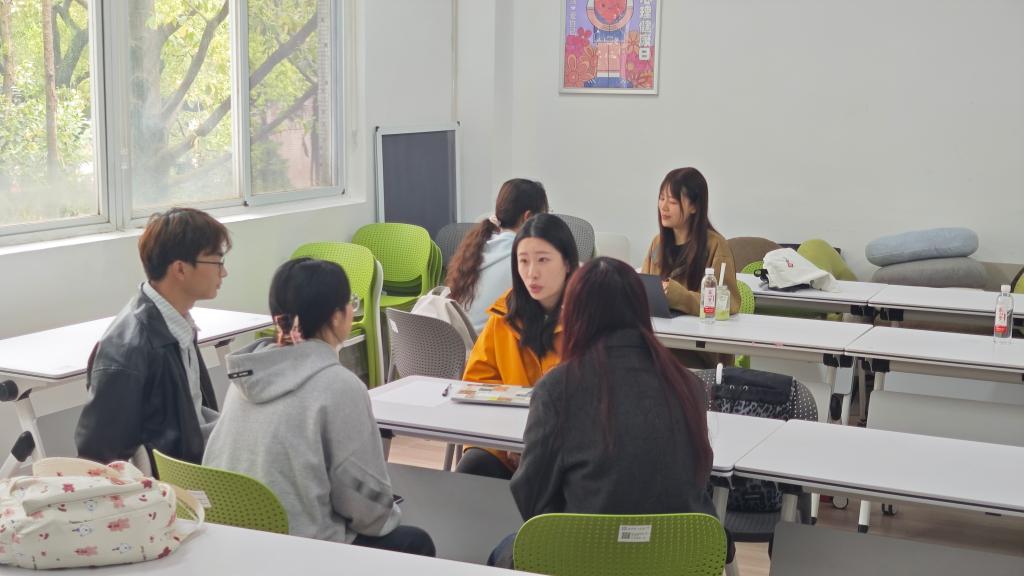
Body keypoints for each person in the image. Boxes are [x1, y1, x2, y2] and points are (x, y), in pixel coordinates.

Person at [488, 257, 725, 568]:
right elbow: (694, 480)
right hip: (675, 562)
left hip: (583, 561)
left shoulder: (558, 388)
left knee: (505, 549)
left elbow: (531, 500)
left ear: (573, 314)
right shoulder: (688, 385)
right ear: (641, 309)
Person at [203, 258, 435, 556]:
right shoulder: (339, 386)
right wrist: (384, 515)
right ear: (337, 317)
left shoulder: (245, 378)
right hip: (303, 550)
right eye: (351, 302)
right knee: (415, 541)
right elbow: (368, 509)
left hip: (233, 542)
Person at [76, 207, 230, 466]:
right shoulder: (128, 349)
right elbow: (98, 456)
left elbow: (192, 416)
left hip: (197, 465)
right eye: (217, 262)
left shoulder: (176, 323)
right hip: (173, 484)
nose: (223, 272)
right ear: (180, 269)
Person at [457, 213, 579, 479]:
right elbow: (476, 385)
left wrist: (534, 444)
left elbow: (595, 401)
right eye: (523, 261)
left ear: (568, 263)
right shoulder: (504, 315)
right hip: (506, 443)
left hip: (567, 446)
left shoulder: (587, 318)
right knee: (472, 467)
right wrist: (505, 438)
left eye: (543, 260)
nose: (532, 272)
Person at [642, 167, 741, 368]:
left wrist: (680, 297)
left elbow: (728, 303)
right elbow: (642, 290)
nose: (663, 207)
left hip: (698, 353)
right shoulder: (657, 243)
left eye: (672, 202)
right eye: (661, 199)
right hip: (661, 343)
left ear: (694, 206)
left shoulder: (716, 246)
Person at [446, 178, 550, 334]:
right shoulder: (525, 259)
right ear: (528, 217)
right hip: (486, 345)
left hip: (458, 342)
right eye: (544, 216)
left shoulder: (479, 246)